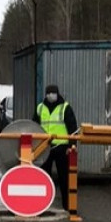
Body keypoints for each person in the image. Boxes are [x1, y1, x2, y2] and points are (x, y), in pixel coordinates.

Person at [36, 83, 77, 212]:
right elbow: (34, 126)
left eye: (53, 93)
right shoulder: (40, 108)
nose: (50, 95)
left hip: (61, 147)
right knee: (43, 178)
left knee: (64, 178)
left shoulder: (65, 108)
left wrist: (72, 146)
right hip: (44, 147)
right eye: (48, 93)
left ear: (57, 93)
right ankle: (42, 206)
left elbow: (73, 129)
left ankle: (68, 207)